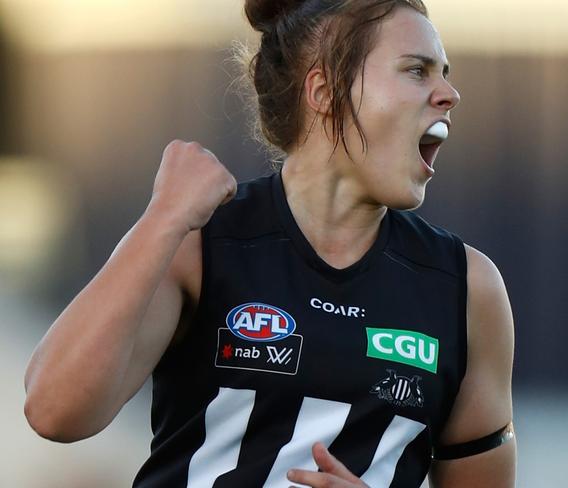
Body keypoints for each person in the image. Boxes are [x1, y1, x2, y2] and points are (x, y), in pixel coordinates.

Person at [23, 0, 516, 486]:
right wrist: (161, 219)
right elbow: (53, 412)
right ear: (324, 90)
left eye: (444, 73)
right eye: (417, 70)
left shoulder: (467, 288)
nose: (449, 93)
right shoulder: (200, 240)